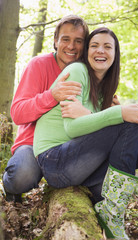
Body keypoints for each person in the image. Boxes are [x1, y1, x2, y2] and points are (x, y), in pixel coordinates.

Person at [33, 27, 138, 239]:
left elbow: (98, 131)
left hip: (82, 163)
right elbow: (73, 128)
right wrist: (118, 113)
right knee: (129, 118)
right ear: (87, 52)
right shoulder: (77, 71)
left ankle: (107, 203)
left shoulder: (105, 86)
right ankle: (112, 211)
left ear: (115, 53)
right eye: (94, 46)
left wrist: (108, 113)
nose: (100, 51)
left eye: (107, 46)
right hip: (55, 161)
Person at [2, 15, 90, 202]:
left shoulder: (89, 72)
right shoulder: (38, 65)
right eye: (65, 39)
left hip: (70, 144)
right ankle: (10, 187)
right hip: (32, 144)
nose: (71, 46)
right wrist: (52, 95)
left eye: (78, 41)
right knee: (21, 176)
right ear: (56, 41)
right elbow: (17, 113)